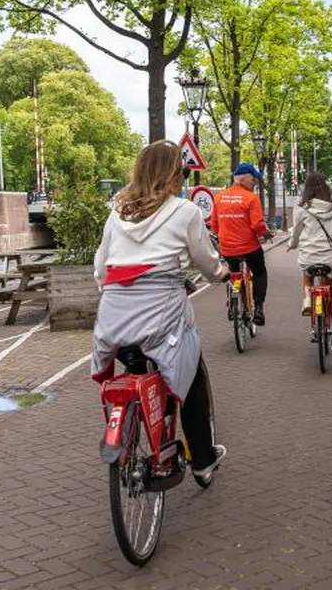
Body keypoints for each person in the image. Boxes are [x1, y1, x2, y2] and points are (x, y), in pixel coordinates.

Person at [90, 141, 230, 486]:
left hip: (114, 319)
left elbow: (100, 268)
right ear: (174, 175)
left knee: (135, 361)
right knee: (192, 374)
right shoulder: (185, 212)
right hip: (162, 317)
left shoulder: (117, 213)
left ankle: (139, 421)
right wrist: (221, 273)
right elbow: (206, 261)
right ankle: (202, 460)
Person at [288, 172, 332, 351]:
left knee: (306, 270)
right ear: (326, 187)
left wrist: (292, 244)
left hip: (309, 256)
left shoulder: (301, 207)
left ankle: (308, 298)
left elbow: (296, 233)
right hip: (331, 259)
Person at [209, 162, 273, 325]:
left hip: (228, 249)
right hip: (249, 248)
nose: (254, 183)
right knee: (259, 272)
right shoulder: (251, 198)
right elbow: (257, 224)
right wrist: (265, 234)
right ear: (243, 179)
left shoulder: (219, 198)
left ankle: (232, 303)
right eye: (253, 180)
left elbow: (214, 225)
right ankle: (258, 308)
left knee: (233, 271)